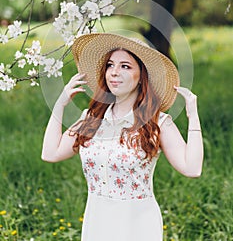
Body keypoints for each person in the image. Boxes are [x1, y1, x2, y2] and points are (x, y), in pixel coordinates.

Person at [41, 33, 203, 241]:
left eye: (125, 66)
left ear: (141, 76)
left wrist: (193, 115)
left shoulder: (158, 123)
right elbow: (50, 153)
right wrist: (60, 105)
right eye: (110, 65)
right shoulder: (92, 119)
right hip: (97, 223)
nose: (115, 73)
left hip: (137, 226)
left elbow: (192, 168)